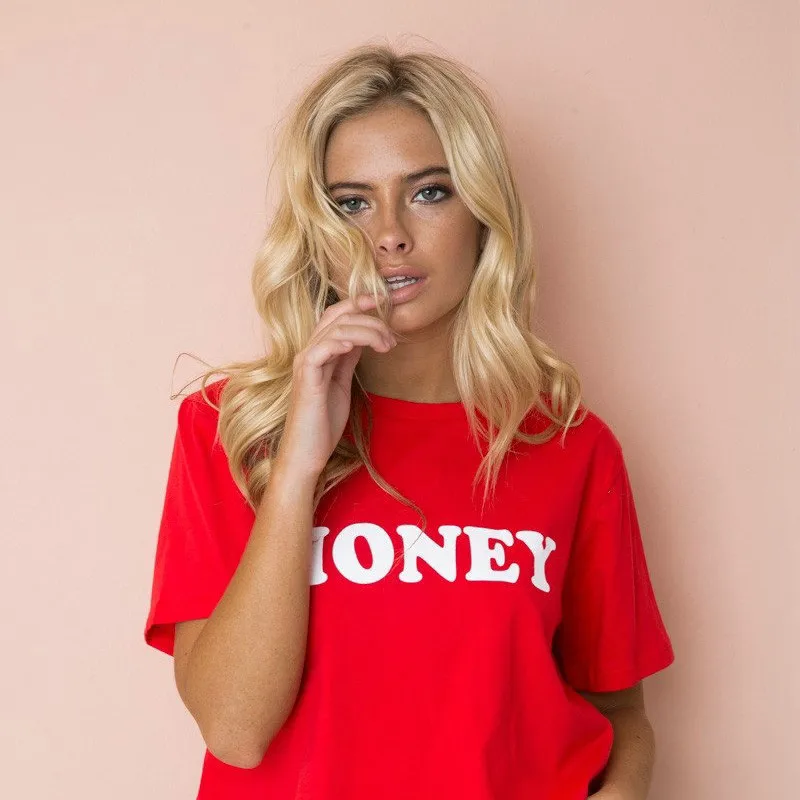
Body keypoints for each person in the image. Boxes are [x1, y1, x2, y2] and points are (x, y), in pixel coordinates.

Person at [143, 41, 675, 800]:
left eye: (429, 192)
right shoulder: (232, 430)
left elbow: (621, 713)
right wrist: (298, 465)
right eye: (352, 202)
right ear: (316, 231)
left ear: (482, 213)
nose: (389, 233)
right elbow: (235, 729)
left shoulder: (571, 448)